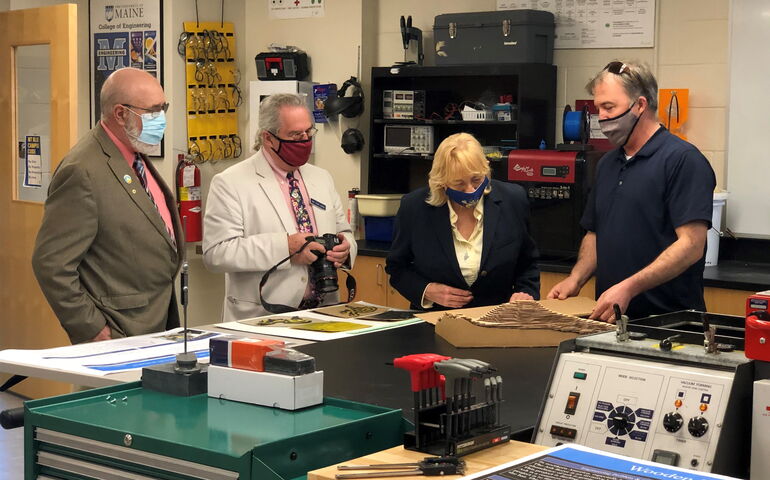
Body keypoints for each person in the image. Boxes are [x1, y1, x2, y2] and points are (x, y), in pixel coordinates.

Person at [548, 61, 716, 322]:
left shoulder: (683, 160)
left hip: (671, 322)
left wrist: (629, 287)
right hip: (610, 320)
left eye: (609, 107)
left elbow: (691, 245)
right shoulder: (607, 164)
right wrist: (575, 279)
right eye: (598, 109)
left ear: (640, 105)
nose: (601, 117)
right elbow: (595, 233)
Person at [32, 67, 182, 344]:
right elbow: (51, 264)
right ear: (120, 114)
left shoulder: (133, 155)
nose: (160, 118)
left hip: (155, 318)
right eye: (151, 111)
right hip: (117, 328)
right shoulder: (83, 169)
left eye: (163, 108)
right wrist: (92, 329)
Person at [203, 93, 356, 321]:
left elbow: (343, 231)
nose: (304, 140)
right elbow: (216, 254)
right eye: (295, 134)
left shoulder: (321, 177)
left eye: (308, 132)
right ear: (268, 138)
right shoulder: (230, 182)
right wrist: (285, 248)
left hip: (324, 313)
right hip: (262, 316)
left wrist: (345, 248)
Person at [386, 133, 540, 311]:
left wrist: (525, 292)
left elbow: (528, 263)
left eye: (476, 180)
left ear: (486, 170)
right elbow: (397, 268)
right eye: (459, 184)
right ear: (442, 181)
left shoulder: (513, 199)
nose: (470, 191)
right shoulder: (414, 208)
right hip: (435, 321)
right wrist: (426, 291)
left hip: (498, 320)